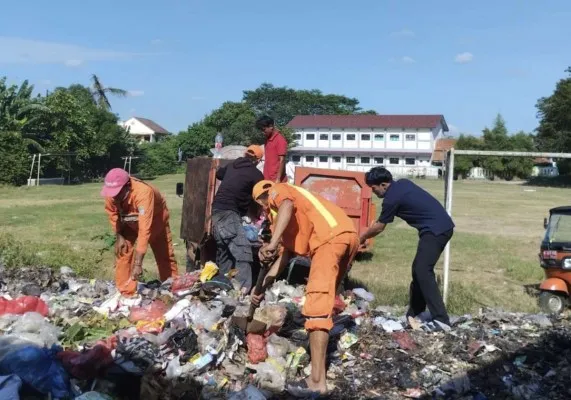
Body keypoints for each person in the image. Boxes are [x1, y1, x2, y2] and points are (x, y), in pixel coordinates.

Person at [251, 180, 359, 396]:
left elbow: (286, 205)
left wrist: (271, 243)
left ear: (260, 201)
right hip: (347, 235)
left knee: (316, 308)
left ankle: (317, 381)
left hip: (328, 240)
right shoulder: (287, 215)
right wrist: (262, 286)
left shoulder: (278, 192)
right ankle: (324, 354)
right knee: (326, 303)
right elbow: (286, 254)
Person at [359, 167, 454, 329]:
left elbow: (379, 227)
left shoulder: (391, 198)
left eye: (374, 188)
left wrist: (361, 237)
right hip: (439, 227)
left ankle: (441, 320)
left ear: (383, 185)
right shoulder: (402, 184)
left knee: (423, 270)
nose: (373, 192)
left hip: (436, 230)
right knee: (419, 269)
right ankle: (415, 312)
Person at [102, 168, 178, 296]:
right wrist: (119, 235)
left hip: (154, 222)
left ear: (128, 186)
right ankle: (125, 292)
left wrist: (138, 264)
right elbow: (113, 214)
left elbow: (144, 230)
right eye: (112, 193)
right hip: (128, 221)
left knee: (164, 255)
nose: (114, 196)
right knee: (123, 251)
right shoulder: (111, 194)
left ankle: (171, 289)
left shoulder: (143, 193)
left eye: (118, 193)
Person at [211, 145, 265, 292]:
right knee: (243, 252)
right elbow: (260, 196)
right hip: (229, 213)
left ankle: (222, 287)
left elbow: (219, 174)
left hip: (216, 211)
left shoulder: (232, 165)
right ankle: (242, 291)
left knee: (225, 252)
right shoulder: (256, 174)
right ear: (258, 160)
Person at [255, 116, 288, 183]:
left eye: (264, 130)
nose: (262, 132)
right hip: (267, 178)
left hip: (276, 180)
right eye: (261, 130)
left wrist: (278, 179)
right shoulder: (267, 139)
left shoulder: (280, 140)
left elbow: (282, 160)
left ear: (271, 126)